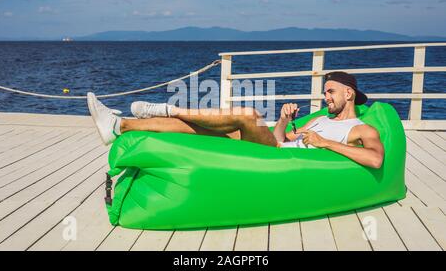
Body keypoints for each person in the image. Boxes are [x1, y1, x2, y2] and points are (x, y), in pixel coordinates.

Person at [87, 71, 384, 169]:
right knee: (197, 129)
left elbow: (375, 160)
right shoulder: (318, 121)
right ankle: (119, 126)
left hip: (281, 161)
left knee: (248, 115)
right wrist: (283, 120)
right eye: (324, 92)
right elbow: (282, 139)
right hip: (276, 147)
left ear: (349, 93)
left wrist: (325, 142)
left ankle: (168, 108)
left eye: (330, 92)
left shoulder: (360, 128)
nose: (325, 97)